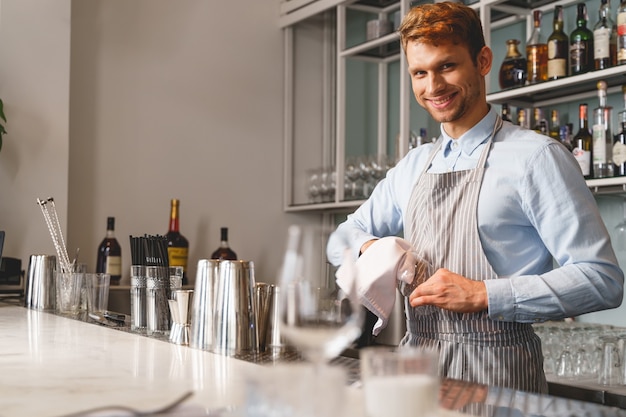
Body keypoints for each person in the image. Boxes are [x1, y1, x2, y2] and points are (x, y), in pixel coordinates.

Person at [327, 1, 624, 393]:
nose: (433, 87)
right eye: (420, 72)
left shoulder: (537, 158)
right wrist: (380, 250)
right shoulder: (414, 166)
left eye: (447, 66)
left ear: (483, 60)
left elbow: (601, 279)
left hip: (499, 374)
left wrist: (483, 293)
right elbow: (341, 239)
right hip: (414, 373)